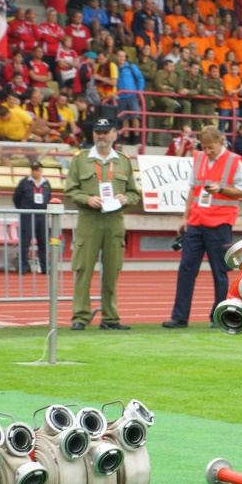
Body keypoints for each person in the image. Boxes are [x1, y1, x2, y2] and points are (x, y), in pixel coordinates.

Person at [162, 126, 242, 328]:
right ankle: (180, 316)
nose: (207, 151)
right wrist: (185, 217)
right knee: (186, 269)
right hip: (196, 221)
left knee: (219, 272)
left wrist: (221, 189)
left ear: (221, 142)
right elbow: (193, 189)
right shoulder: (199, 157)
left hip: (220, 223)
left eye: (211, 147)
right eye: (204, 147)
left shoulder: (234, 161)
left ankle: (218, 317)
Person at [63, 118, 140, 330]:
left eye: (106, 132)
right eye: (98, 132)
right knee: (83, 269)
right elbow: (70, 190)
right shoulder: (81, 160)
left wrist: (125, 199)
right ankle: (80, 317)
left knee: (112, 272)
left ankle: (110, 318)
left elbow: (134, 193)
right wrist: (87, 199)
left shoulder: (123, 161)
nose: (101, 136)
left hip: (114, 221)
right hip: (89, 220)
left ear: (114, 134)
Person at [12, 163, 52, 274]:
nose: (35, 172)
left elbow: (48, 197)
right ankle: (23, 266)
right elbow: (16, 198)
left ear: (41, 171)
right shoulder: (24, 183)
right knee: (25, 241)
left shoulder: (46, 183)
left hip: (42, 215)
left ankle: (44, 267)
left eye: (37, 170)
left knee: (43, 241)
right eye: (33, 170)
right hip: (27, 215)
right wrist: (23, 209)